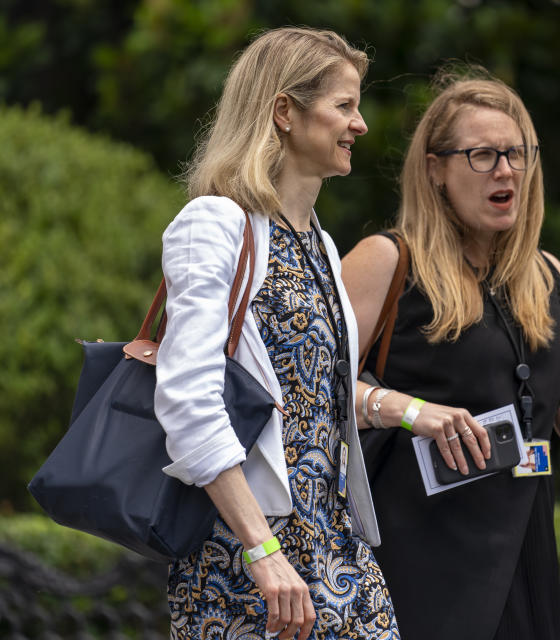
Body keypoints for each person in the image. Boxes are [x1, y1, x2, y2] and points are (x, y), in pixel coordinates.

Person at [341, 71, 560, 640]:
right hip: (416, 545)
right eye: (482, 155)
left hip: (522, 537)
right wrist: (406, 408)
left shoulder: (549, 278)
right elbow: (308, 389)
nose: (505, 170)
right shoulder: (386, 261)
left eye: (517, 154)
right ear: (435, 169)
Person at [153, 27, 399, 640]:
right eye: (345, 105)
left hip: (338, 552)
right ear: (284, 112)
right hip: (245, 563)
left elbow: (316, 400)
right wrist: (263, 552)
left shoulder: (319, 245)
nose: (360, 124)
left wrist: (413, 411)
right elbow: (186, 400)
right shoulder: (215, 224)